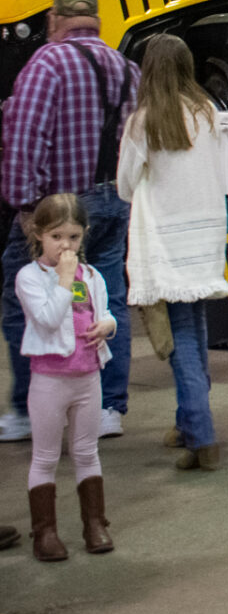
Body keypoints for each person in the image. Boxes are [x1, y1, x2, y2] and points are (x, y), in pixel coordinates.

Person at [1, 0, 139, 444]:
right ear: (96, 21)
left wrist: (24, 206)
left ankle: (28, 411)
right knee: (105, 302)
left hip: (58, 216)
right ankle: (105, 408)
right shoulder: (127, 68)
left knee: (24, 299)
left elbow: (26, 138)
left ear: (54, 21)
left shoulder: (46, 63)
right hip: (114, 202)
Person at [115, 35, 228, 473]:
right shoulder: (207, 114)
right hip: (205, 235)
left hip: (166, 241)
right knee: (194, 327)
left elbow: (126, 186)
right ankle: (187, 423)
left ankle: (202, 436)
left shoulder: (143, 122)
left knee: (178, 337)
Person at [16, 194, 117, 561]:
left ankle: (95, 524)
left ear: (84, 236)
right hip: (49, 381)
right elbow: (46, 318)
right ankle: (45, 532)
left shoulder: (92, 276)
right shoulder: (30, 277)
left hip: (88, 377)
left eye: (74, 237)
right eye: (57, 236)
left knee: (87, 451)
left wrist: (108, 325)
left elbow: (107, 313)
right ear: (38, 234)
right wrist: (62, 278)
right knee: (45, 456)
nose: (65, 245)